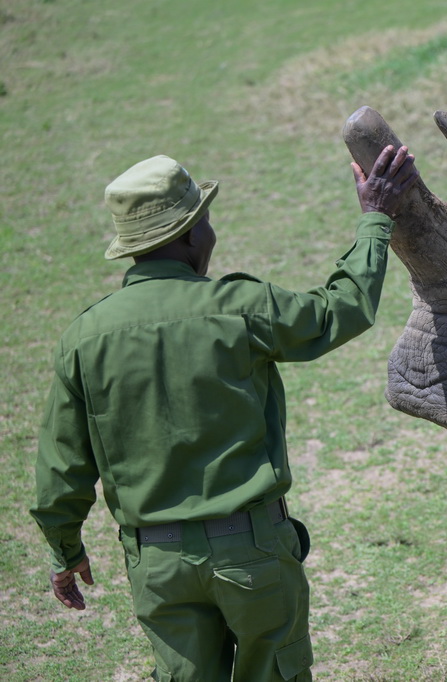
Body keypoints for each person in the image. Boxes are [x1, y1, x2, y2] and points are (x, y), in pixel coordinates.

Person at [30, 145, 418, 681]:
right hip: (252, 551)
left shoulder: (84, 338)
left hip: (157, 567)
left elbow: (61, 469)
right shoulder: (238, 307)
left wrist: (65, 551)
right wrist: (375, 219)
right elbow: (341, 310)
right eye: (205, 222)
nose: (210, 234)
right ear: (191, 236)